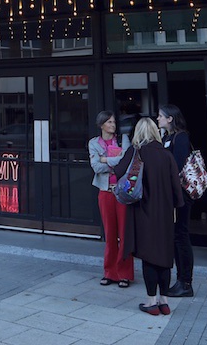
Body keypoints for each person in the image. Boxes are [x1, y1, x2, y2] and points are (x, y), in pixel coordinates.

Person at [114, 117, 185, 316]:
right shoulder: (166, 155)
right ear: (155, 131)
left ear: (138, 132)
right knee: (163, 256)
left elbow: (118, 171)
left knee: (148, 257)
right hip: (164, 214)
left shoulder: (135, 152)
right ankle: (164, 301)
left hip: (142, 211)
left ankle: (150, 301)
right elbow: (176, 187)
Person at [89, 111, 133, 288]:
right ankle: (109, 272)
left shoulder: (123, 140)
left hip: (122, 192)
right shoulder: (94, 143)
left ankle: (124, 274)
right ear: (101, 125)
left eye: (114, 121)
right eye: (109, 122)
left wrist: (106, 159)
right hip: (105, 191)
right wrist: (115, 162)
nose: (113, 125)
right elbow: (96, 167)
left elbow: (126, 162)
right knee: (110, 234)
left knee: (124, 233)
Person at [156, 104, 195, 298]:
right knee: (175, 236)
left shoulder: (180, 138)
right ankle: (180, 280)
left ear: (170, 118)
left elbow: (177, 167)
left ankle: (185, 282)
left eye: (161, 116)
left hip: (181, 194)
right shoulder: (166, 138)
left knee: (181, 235)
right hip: (171, 193)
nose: (158, 119)